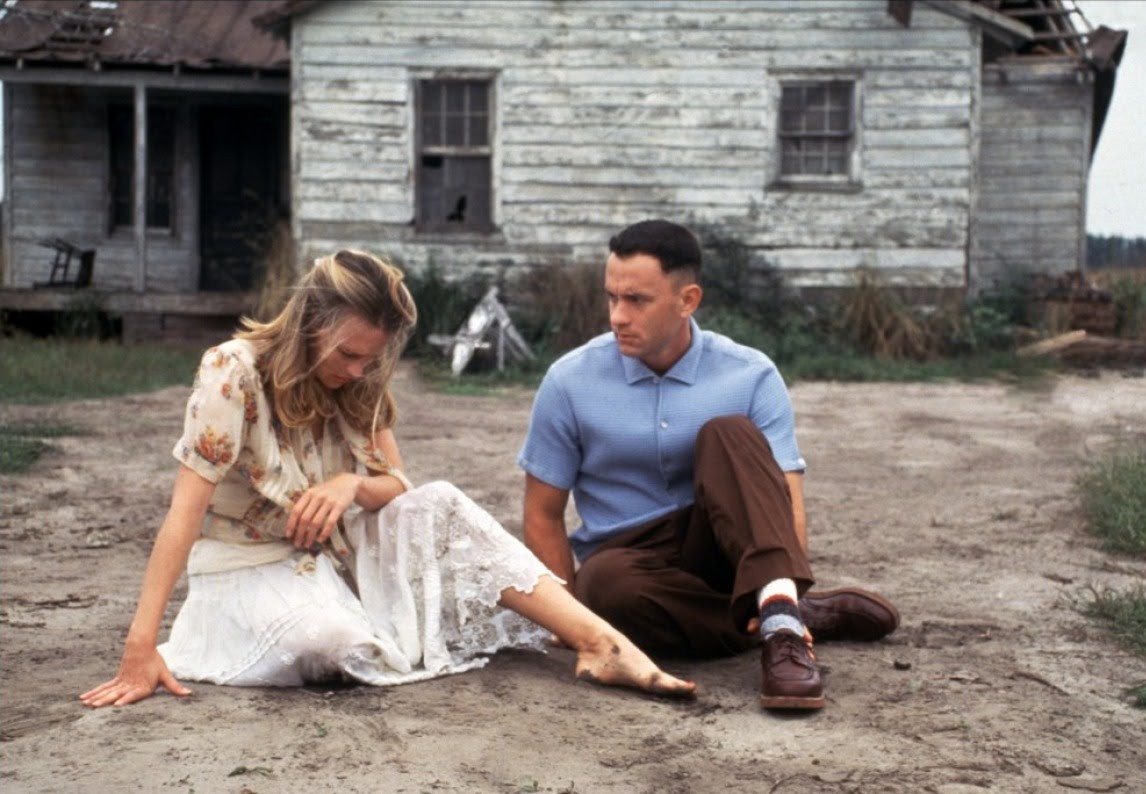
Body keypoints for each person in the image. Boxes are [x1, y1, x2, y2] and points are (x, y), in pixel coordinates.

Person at [81, 249, 695, 708]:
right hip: (245, 566)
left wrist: (348, 486)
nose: (358, 370)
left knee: (441, 501)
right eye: (347, 354)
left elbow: (397, 485)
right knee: (336, 645)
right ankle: (359, 620)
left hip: (329, 553)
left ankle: (601, 643)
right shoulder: (231, 372)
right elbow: (183, 514)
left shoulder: (360, 373)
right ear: (308, 324)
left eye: (370, 358)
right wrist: (141, 645)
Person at [518, 220, 900, 711]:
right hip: (632, 565)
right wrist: (573, 625)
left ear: (688, 300)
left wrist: (786, 569)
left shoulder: (750, 374)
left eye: (636, 300)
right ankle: (786, 613)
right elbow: (542, 512)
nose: (617, 316)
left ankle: (783, 628)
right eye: (611, 297)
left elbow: (785, 498)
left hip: (727, 546)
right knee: (602, 587)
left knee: (729, 432)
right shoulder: (569, 381)